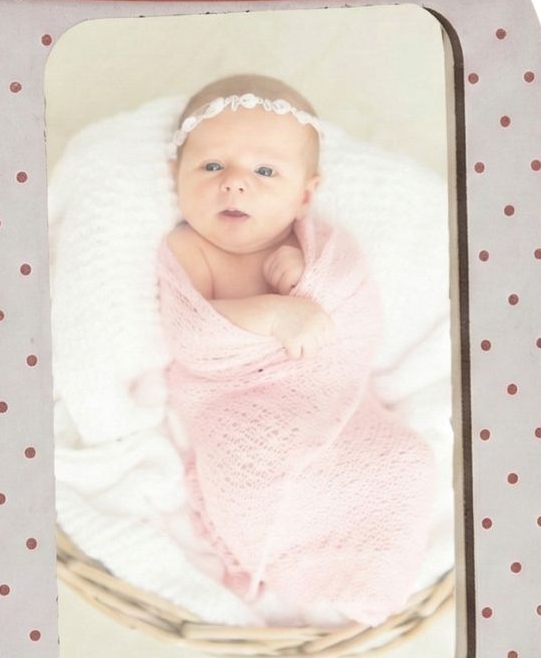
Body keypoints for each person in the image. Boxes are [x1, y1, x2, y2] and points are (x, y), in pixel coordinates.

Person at [156, 76, 436, 626]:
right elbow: (191, 334)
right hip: (237, 402)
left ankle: (372, 570)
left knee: (406, 461)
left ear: (305, 194)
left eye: (265, 172)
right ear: (176, 176)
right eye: (212, 166)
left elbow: (351, 310)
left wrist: (311, 286)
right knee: (254, 475)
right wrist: (273, 312)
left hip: (329, 398)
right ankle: (294, 559)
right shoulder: (188, 247)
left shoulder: (319, 246)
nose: (235, 184)